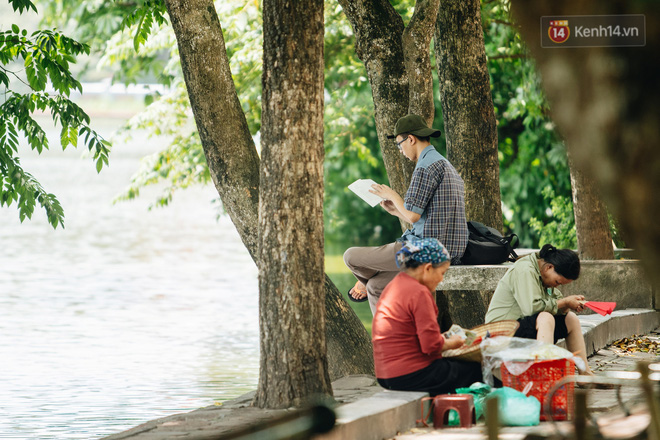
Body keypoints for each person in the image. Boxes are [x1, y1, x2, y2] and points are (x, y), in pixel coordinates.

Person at [343, 114, 468, 314]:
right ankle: (385, 342)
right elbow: (428, 218)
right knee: (375, 286)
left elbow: (413, 217)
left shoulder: (426, 167)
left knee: (350, 257)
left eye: (399, 144)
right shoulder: (444, 164)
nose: (400, 150)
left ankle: (361, 284)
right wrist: (395, 210)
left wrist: (392, 194)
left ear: (411, 139)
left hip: (422, 251)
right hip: (448, 251)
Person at [372, 238, 483, 396]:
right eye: (442, 273)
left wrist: (442, 339)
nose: (442, 279)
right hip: (411, 374)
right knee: (479, 370)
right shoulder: (419, 292)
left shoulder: (394, 285)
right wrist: (453, 342)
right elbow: (430, 346)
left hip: (385, 375)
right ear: (428, 268)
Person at [485, 244, 596, 375]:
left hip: (523, 327)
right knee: (545, 317)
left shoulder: (544, 274)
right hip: (501, 332)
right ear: (549, 267)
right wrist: (565, 301)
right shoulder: (525, 270)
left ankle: (585, 373)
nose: (556, 286)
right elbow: (532, 309)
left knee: (571, 319)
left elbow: (555, 305)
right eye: (557, 282)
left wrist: (567, 305)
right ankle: (544, 373)